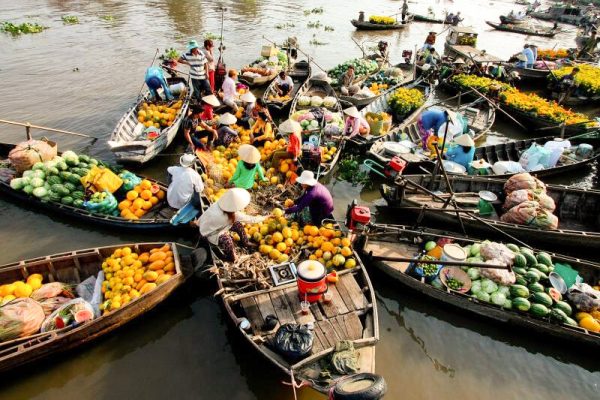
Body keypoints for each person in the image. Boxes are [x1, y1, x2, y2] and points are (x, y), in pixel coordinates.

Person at [195, 188, 267, 262]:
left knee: (237, 224)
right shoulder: (234, 215)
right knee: (227, 240)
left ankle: (245, 242)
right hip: (210, 234)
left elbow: (206, 215)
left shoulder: (217, 204)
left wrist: (197, 222)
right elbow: (252, 220)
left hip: (209, 227)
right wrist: (267, 217)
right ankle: (230, 257)